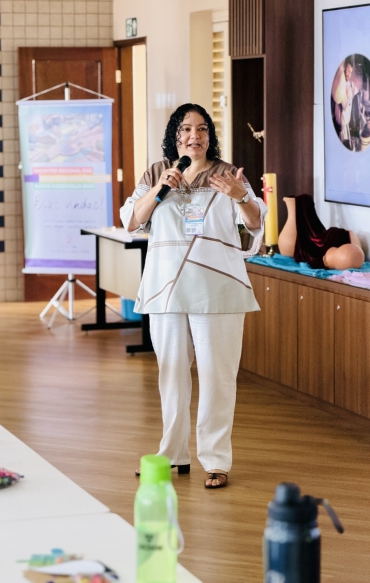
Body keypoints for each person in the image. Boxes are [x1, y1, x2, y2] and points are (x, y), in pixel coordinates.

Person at [120, 104, 267, 489]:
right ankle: (172, 453)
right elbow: (132, 219)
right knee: (170, 374)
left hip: (217, 290)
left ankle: (216, 460)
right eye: (186, 129)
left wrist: (241, 196)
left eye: (202, 129)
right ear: (175, 135)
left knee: (218, 376)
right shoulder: (157, 172)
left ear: (209, 136)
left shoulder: (227, 174)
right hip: (167, 289)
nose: (194, 136)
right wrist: (160, 188)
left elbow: (255, 222)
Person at [331, 56, 364, 149]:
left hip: (346, 126)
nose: (349, 74)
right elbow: (337, 98)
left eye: (351, 71)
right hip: (339, 127)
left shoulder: (350, 85)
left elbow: (356, 87)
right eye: (348, 70)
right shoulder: (341, 82)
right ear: (344, 68)